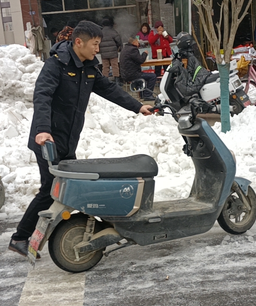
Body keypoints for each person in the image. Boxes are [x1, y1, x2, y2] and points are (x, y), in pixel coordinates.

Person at [8, 20, 154, 257]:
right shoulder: (56, 65)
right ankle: (20, 237)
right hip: (47, 142)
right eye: (95, 44)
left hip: (67, 139)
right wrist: (43, 130)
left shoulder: (87, 67)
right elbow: (42, 96)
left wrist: (137, 107)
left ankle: (68, 230)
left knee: (66, 187)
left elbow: (109, 89)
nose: (98, 49)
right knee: (51, 189)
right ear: (79, 42)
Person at [120, 35, 155, 100]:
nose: (138, 43)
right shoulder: (133, 49)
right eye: (137, 42)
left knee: (145, 76)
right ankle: (147, 95)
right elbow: (141, 60)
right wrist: (145, 53)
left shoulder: (125, 48)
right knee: (152, 76)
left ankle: (142, 95)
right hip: (132, 75)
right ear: (134, 42)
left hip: (125, 74)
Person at [99, 17, 123, 83]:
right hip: (113, 53)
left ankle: (105, 82)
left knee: (105, 67)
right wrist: (118, 47)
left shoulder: (100, 33)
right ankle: (117, 82)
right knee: (115, 66)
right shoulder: (113, 31)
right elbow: (119, 41)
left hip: (103, 53)